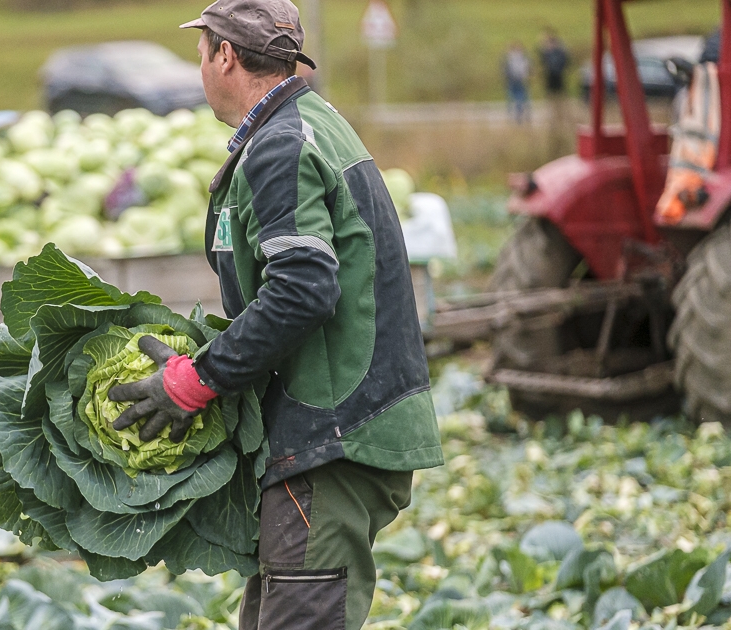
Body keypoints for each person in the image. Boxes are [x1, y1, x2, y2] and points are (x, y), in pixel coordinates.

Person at [107, 2, 443, 629]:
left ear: (225, 55)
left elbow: (301, 290)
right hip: (336, 432)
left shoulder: (281, 145)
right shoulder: (312, 123)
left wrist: (194, 380)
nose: (200, 66)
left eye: (201, 51)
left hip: (328, 436)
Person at [505, 42, 532, 123]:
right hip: (516, 81)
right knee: (518, 98)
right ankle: (518, 115)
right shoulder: (521, 58)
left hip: (517, 81)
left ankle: (518, 115)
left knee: (518, 98)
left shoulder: (512, 58)